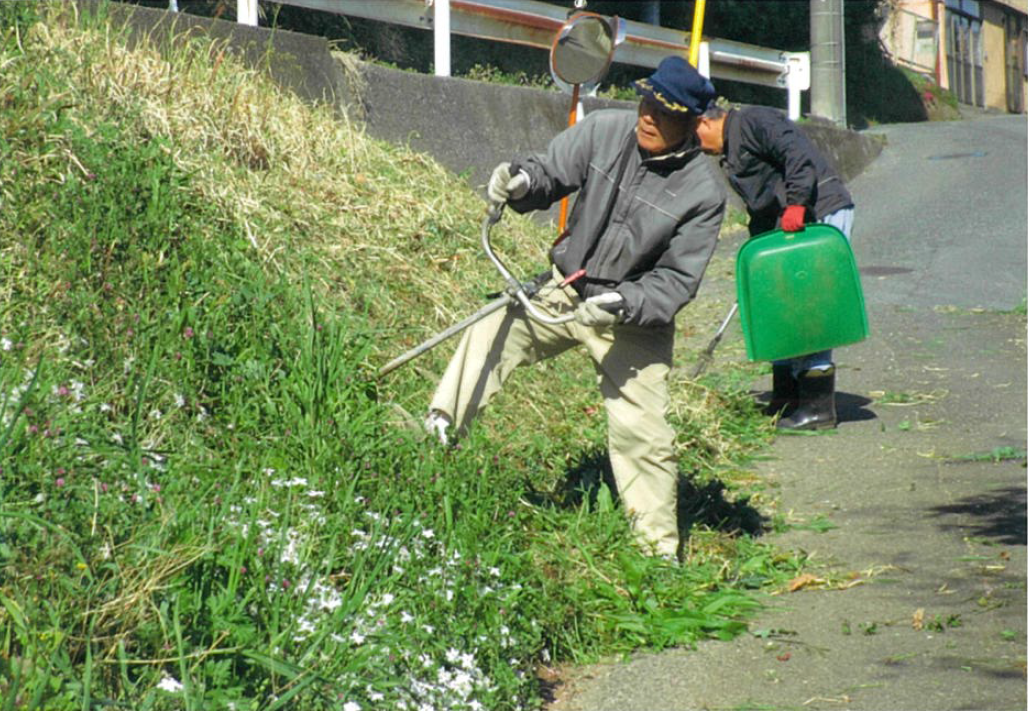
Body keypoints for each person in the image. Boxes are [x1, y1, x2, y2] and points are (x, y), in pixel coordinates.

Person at [424, 56, 726, 560]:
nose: (648, 117)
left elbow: (675, 282)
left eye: (666, 112)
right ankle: (435, 442)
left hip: (630, 319)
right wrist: (519, 182)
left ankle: (657, 557)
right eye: (646, 102)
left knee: (643, 434)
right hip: (567, 289)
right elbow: (548, 171)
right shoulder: (605, 132)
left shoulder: (703, 192)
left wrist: (623, 303)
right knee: (491, 331)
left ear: (693, 123)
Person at [695, 104, 855, 431]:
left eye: (694, 136)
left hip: (817, 214)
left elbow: (798, 155)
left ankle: (818, 408)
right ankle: (788, 395)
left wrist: (796, 203)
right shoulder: (731, 148)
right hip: (788, 227)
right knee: (780, 306)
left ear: (704, 121)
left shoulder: (755, 121)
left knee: (809, 307)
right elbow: (762, 203)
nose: (698, 147)